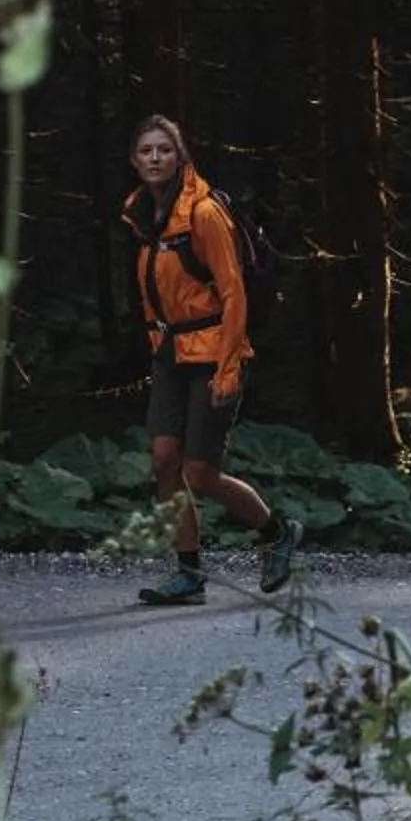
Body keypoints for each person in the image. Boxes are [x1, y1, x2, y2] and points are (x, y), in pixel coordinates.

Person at [121, 115, 302, 605]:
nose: (155, 158)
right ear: (135, 160)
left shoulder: (203, 213)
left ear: (180, 157)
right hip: (170, 355)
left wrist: (228, 366)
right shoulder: (144, 216)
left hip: (214, 351)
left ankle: (277, 532)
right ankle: (188, 574)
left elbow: (233, 292)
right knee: (164, 460)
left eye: (164, 150)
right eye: (146, 150)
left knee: (200, 473)